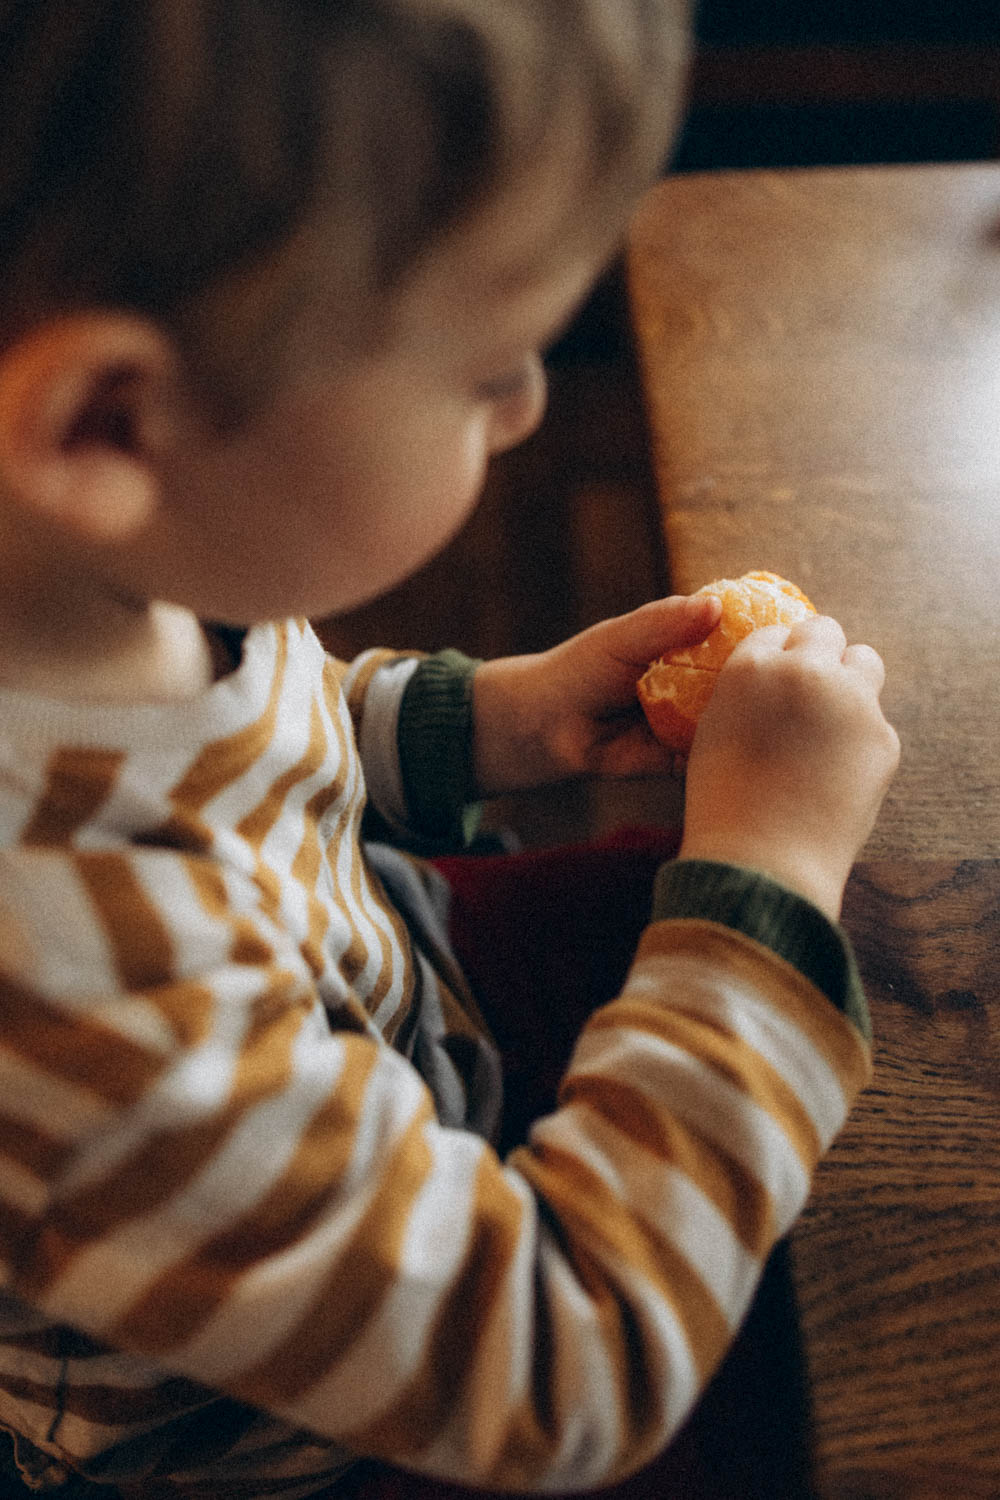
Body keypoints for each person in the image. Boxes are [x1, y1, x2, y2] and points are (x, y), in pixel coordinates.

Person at [0, 3, 899, 1496]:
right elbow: (562, 1365)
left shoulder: (94, 572)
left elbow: (245, 747)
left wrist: (494, 721)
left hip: (400, 1010)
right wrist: (772, 866)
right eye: (488, 368)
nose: (532, 404)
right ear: (109, 423)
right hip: (339, 1431)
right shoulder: (76, 1002)